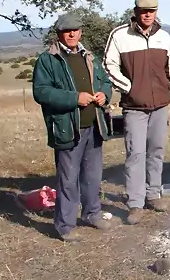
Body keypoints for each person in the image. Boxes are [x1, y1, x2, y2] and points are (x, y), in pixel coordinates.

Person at [103, 0, 170, 225]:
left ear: (156, 12)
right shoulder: (120, 35)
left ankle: (153, 195)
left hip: (160, 105)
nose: (148, 14)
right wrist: (129, 87)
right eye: (144, 10)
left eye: (152, 10)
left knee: (156, 151)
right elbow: (108, 66)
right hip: (134, 107)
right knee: (135, 154)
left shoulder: (164, 37)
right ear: (136, 12)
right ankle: (135, 203)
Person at [32, 13, 113, 242]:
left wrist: (104, 94)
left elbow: (105, 82)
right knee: (68, 179)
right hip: (68, 128)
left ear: (80, 32)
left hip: (94, 126)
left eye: (76, 30)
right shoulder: (48, 60)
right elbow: (42, 92)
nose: (72, 34)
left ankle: (92, 213)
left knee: (93, 176)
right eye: (67, 31)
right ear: (59, 33)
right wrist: (74, 98)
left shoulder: (90, 57)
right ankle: (65, 226)